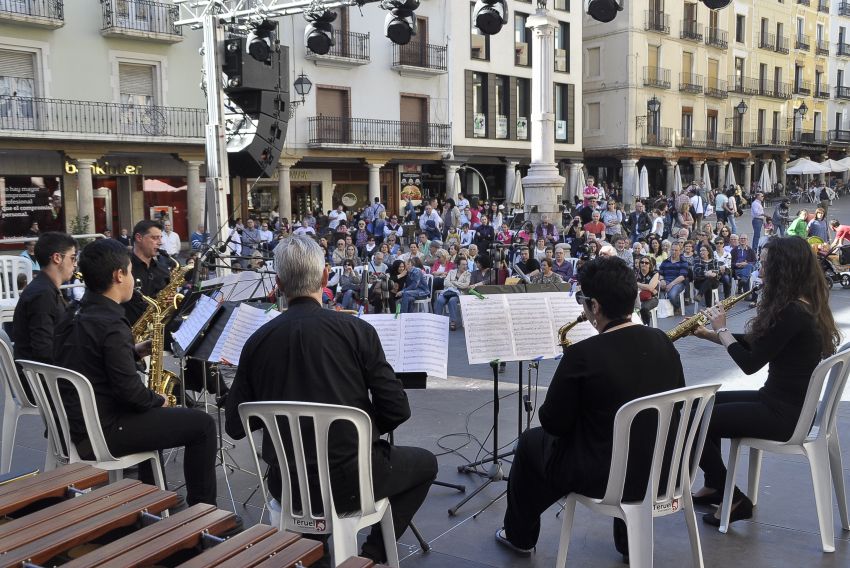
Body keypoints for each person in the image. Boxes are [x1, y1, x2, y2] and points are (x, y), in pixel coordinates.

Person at [224, 236, 436, 563]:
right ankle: (370, 556)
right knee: (426, 464)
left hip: (288, 485)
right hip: (353, 481)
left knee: (306, 471)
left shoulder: (256, 342)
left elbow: (236, 427)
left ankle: (313, 551)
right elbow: (397, 409)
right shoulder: (356, 331)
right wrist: (361, 426)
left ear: (279, 284)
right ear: (325, 277)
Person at [495, 257, 686, 557]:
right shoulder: (663, 341)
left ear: (595, 306)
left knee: (532, 444)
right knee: (624, 438)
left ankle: (519, 535)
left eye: (583, 301)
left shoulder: (583, 355)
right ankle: (629, 543)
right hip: (661, 471)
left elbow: (553, 423)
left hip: (604, 477)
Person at [55, 238, 219, 507]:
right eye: (130, 272)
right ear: (119, 275)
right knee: (202, 425)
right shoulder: (111, 323)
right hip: (104, 431)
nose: (133, 279)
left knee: (154, 414)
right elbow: (130, 393)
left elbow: (86, 356)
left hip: (76, 424)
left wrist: (131, 351)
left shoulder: (74, 311)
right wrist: (159, 400)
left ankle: (151, 495)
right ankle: (203, 512)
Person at [691, 237, 840, 526]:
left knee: (695, 421)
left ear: (783, 270)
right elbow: (762, 343)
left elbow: (750, 364)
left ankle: (732, 498)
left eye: (765, 264)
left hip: (783, 415)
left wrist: (721, 329)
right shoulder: (805, 305)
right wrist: (710, 335)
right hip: (783, 404)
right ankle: (714, 484)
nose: (760, 270)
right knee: (700, 404)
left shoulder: (793, 312)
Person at [12, 232, 77, 397]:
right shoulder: (43, 294)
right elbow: (43, 350)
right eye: (73, 258)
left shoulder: (44, 288)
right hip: (38, 381)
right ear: (57, 258)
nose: (75, 264)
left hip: (40, 374)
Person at [124, 220, 171, 326]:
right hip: (130, 329)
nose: (160, 242)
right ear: (139, 238)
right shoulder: (124, 268)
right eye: (155, 238)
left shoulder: (163, 269)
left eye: (160, 237)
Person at [434, 260, 471, 331]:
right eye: (463, 265)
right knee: (440, 300)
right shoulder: (451, 272)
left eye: (466, 265)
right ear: (458, 265)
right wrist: (457, 285)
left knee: (452, 300)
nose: (465, 266)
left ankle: (453, 321)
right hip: (447, 291)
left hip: (459, 293)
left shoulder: (468, 274)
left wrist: (453, 282)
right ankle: (437, 320)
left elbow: (465, 285)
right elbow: (446, 282)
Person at [658, 242, 689, 310]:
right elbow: (660, 273)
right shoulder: (665, 261)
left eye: (676, 250)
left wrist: (671, 284)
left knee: (672, 295)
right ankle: (660, 309)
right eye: (672, 250)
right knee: (654, 290)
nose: (673, 252)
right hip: (665, 281)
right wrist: (662, 280)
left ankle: (677, 307)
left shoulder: (683, 262)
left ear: (680, 251)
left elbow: (682, 277)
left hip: (678, 283)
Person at [635, 255, 659, 325]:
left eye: (646, 263)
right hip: (637, 297)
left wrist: (636, 283)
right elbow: (630, 285)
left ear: (650, 265)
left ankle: (646, 326)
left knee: (644, 309)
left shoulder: (654, 273)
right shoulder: (635, 273)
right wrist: (646, 287)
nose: (644, 264)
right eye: (642, 262)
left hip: (652, 298)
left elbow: (650, 287)